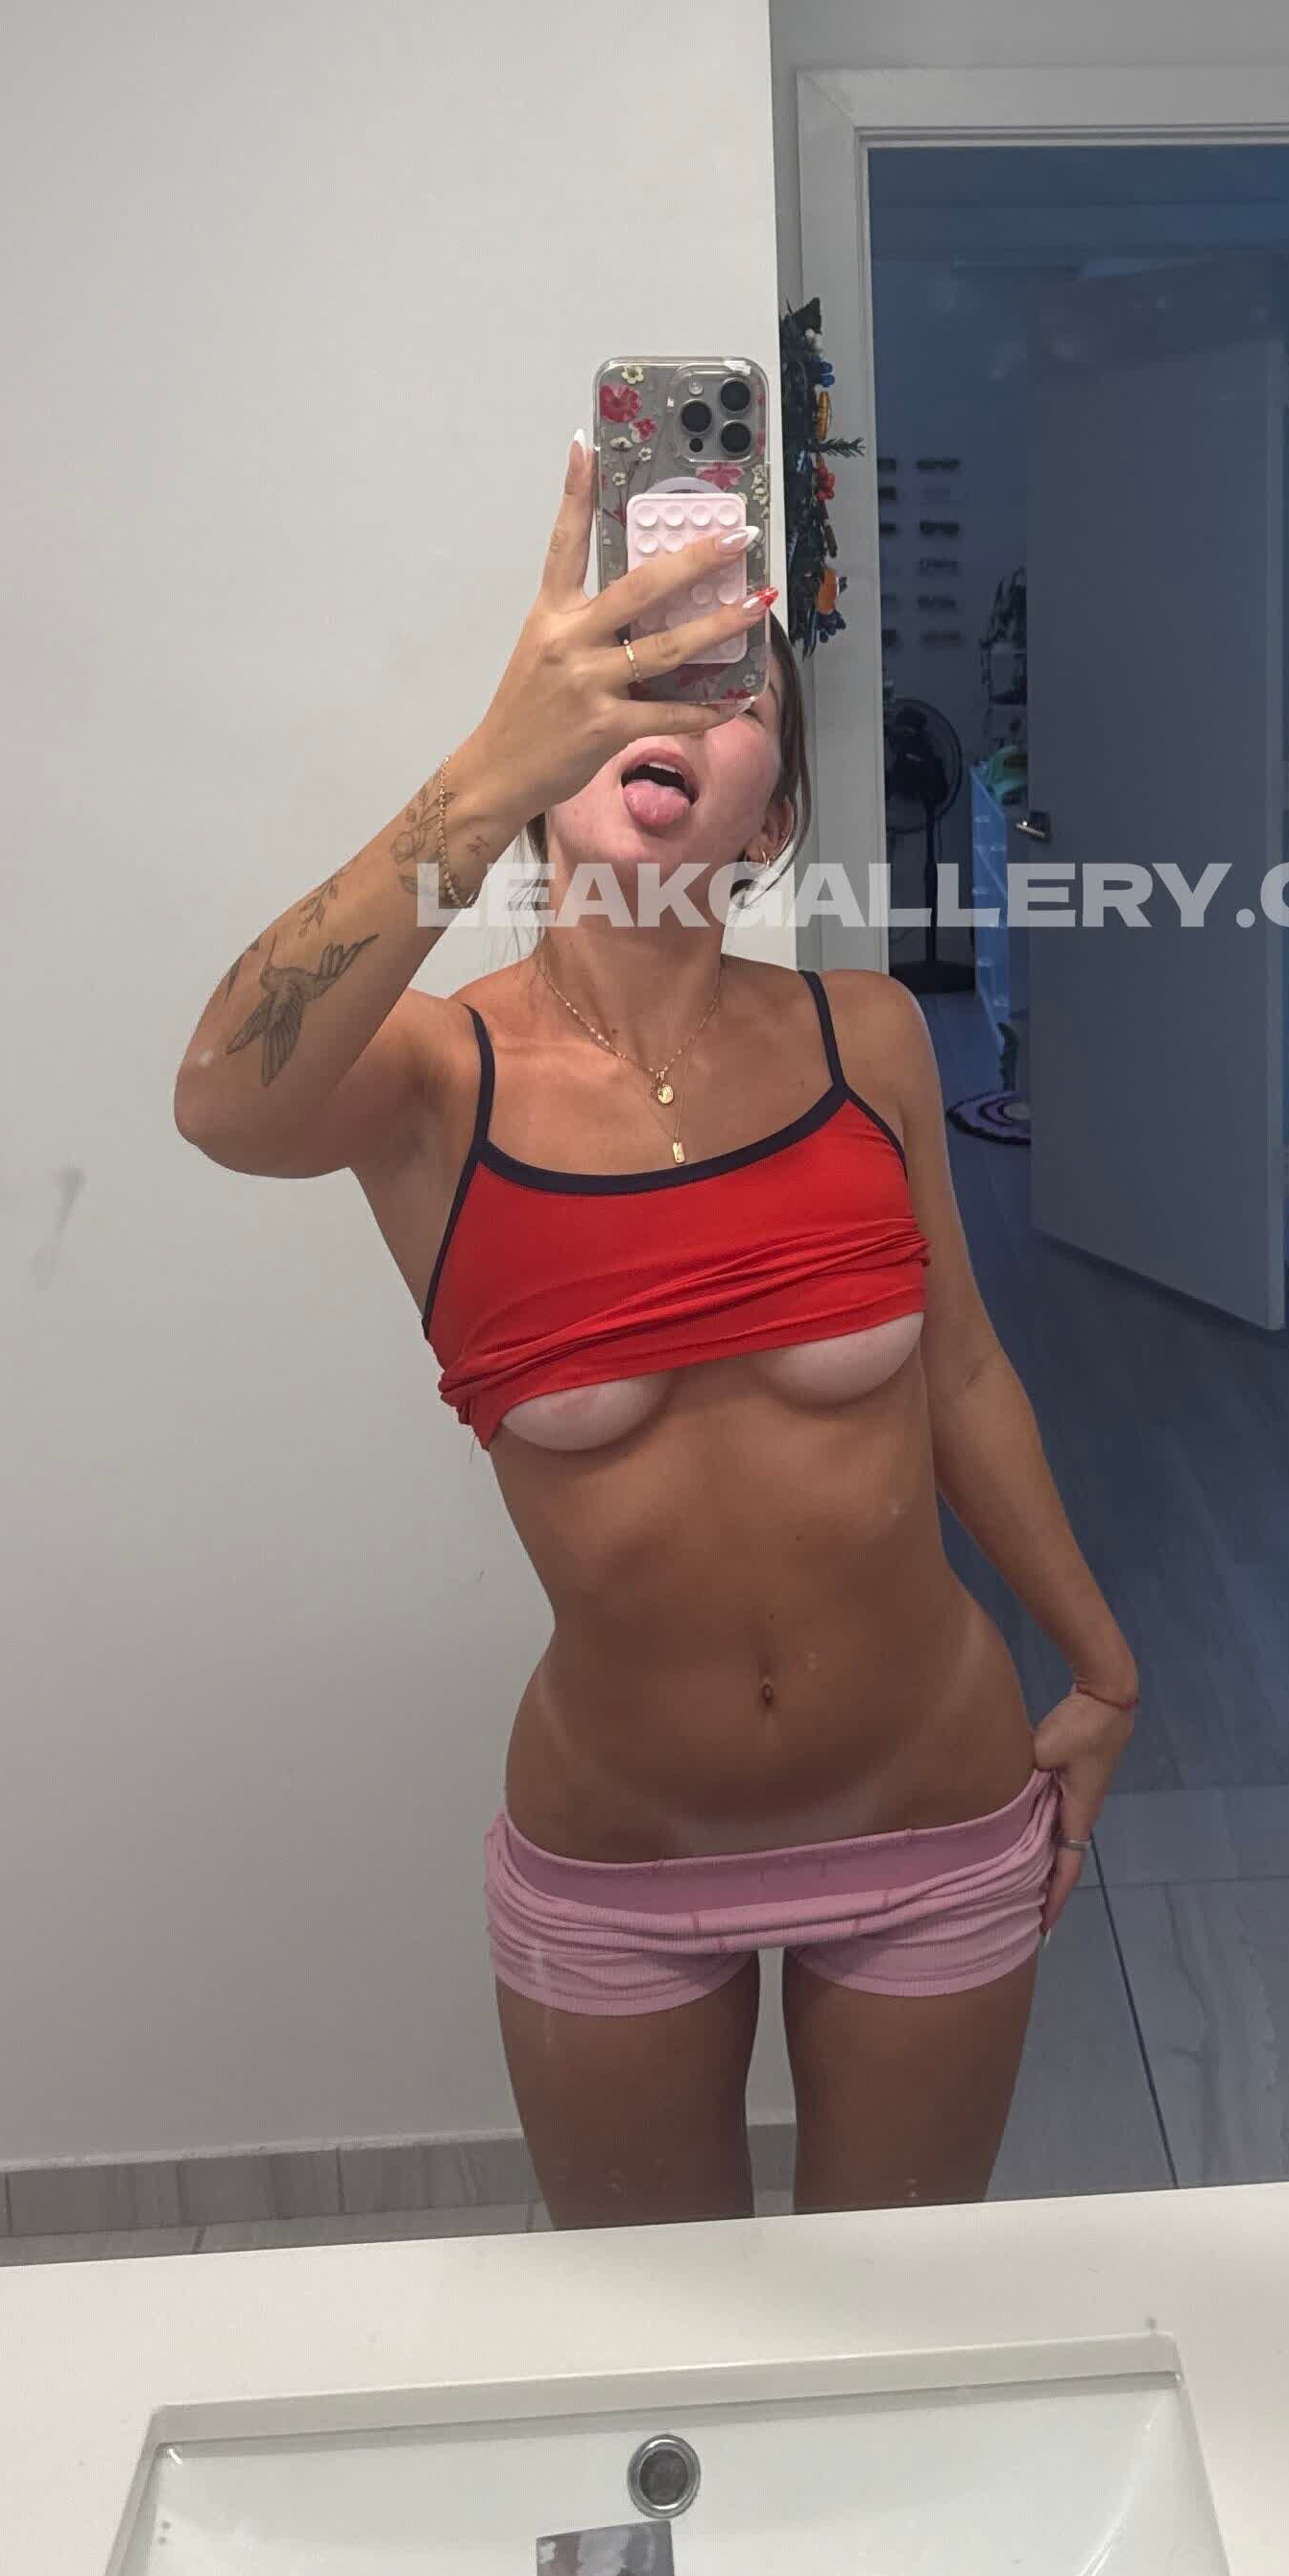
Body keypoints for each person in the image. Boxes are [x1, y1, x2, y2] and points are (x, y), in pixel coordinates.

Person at [174, 438, 1137, 2226]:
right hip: (619, 1861)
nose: (675, 706)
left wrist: (1103, 1667)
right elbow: (224, 1101)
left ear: (770, 819)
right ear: (555, 771)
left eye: (728, 683)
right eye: (624, 672)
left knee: (898, 2338)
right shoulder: (433, 1082)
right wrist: (484, 766)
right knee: (661, 2359)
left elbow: (961, 1372)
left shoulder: (869, 1037)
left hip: (933, 1814)